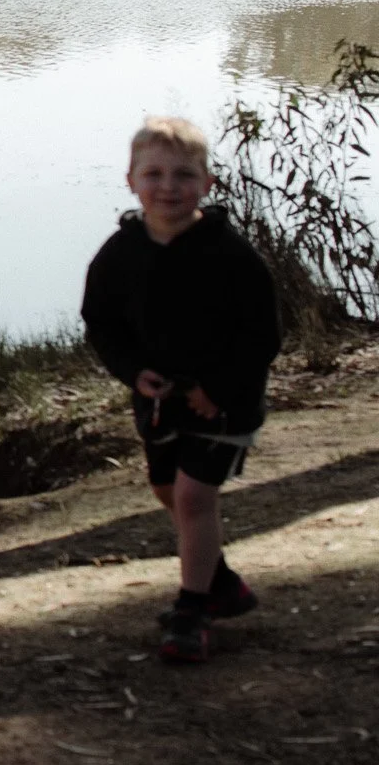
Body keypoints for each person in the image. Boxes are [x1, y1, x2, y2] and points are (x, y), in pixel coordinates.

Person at [81, 116, 280, 664]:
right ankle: (223, 585)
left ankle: (192, 611)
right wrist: (131, 371)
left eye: (184, 175)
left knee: (194, 498)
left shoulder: (230, 255)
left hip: (226, 400)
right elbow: (100, 320)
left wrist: (218, 387)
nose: (169, 187)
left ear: (208, 184)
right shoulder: (120, 253)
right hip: (159, 400)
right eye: (155, 174)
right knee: (168, 491)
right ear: (131, 181)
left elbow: (262, 332)